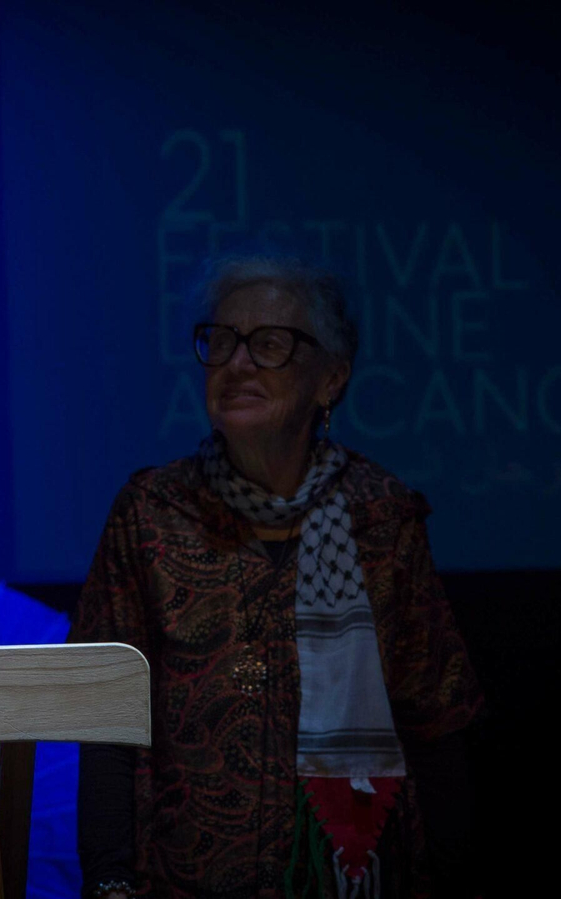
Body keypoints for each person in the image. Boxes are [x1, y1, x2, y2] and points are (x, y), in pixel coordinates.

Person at [71, 257, 483, 899]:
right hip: (181, 882)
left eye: (269, 344)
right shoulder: (149, 513)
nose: (237, 363)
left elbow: (436, 724)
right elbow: (104, 723)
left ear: (331, 379)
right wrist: (110, 881)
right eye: (222, 341)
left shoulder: (382, 517)